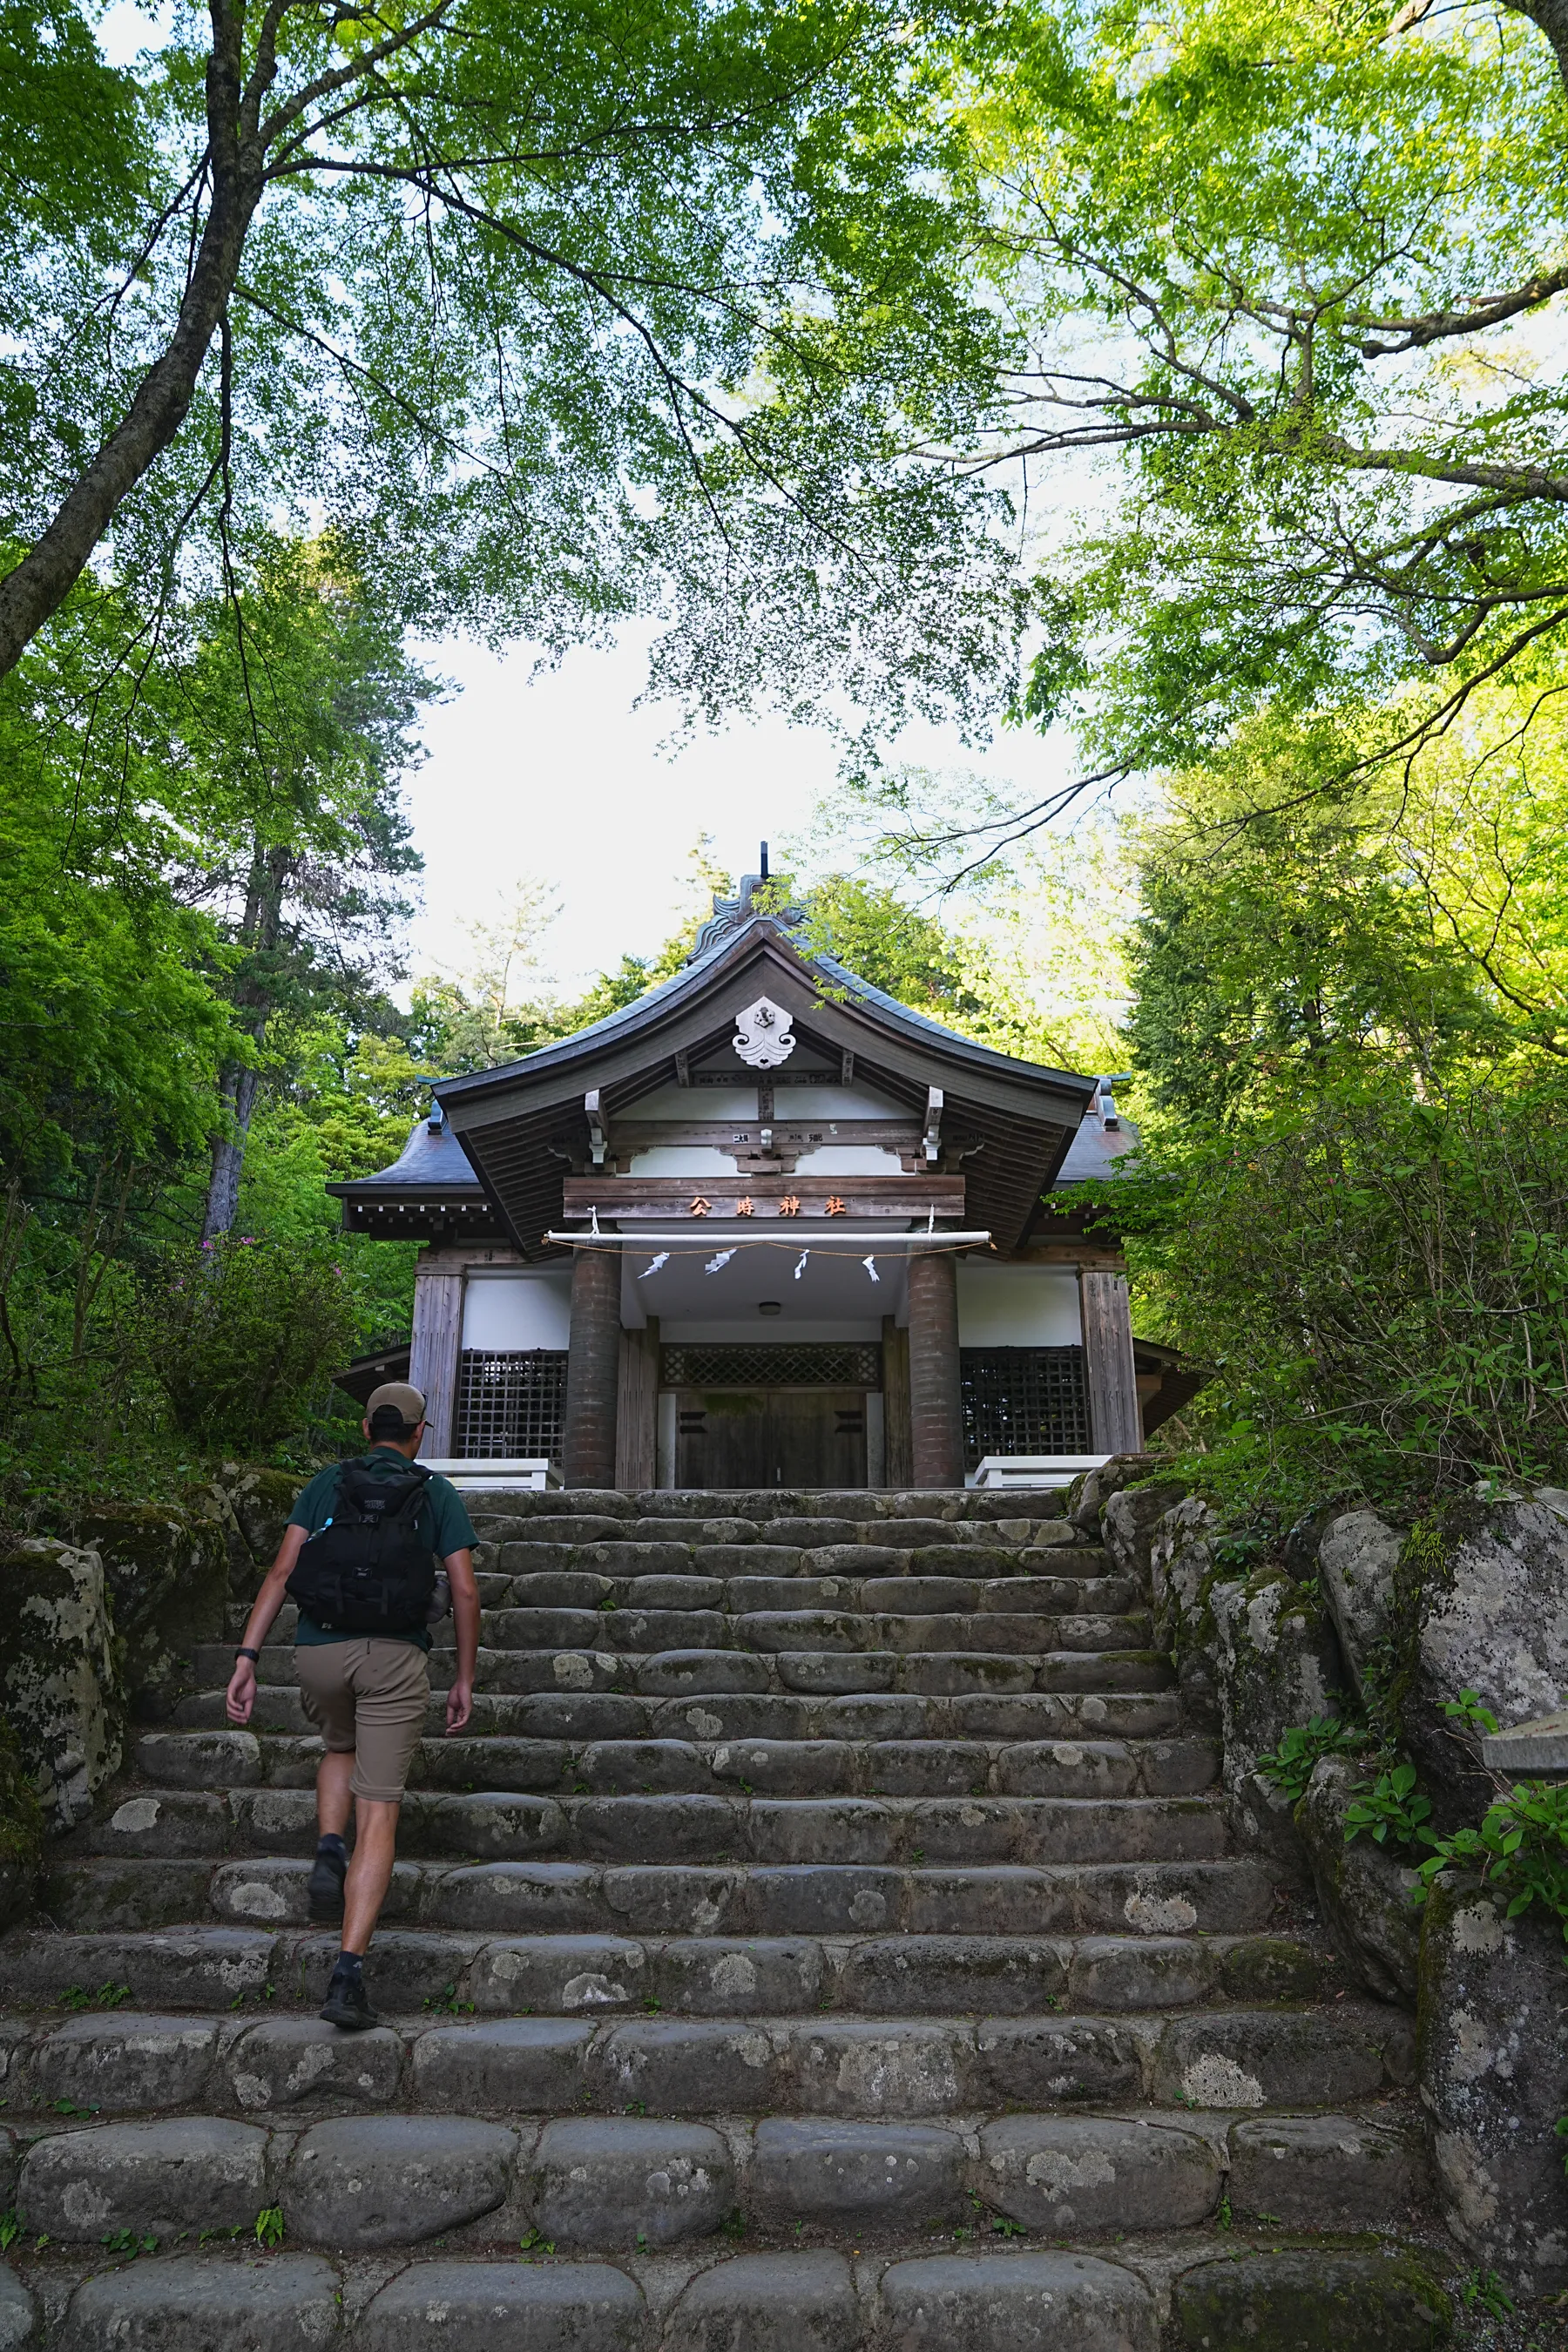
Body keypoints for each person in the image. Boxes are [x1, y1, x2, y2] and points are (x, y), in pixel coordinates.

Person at [226, 1382, 480, 2030]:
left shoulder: (325, 1483)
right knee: (382, 1809)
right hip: (394, 1657)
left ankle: (328, 1846)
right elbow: (465, 1591)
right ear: (420, 1433)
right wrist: (464, 1677)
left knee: (339, 1745)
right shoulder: (435, 1492)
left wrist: (247, 1658)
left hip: (318, 1654)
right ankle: (347, 1975)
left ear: (367, 1430)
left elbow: (282, 1572)